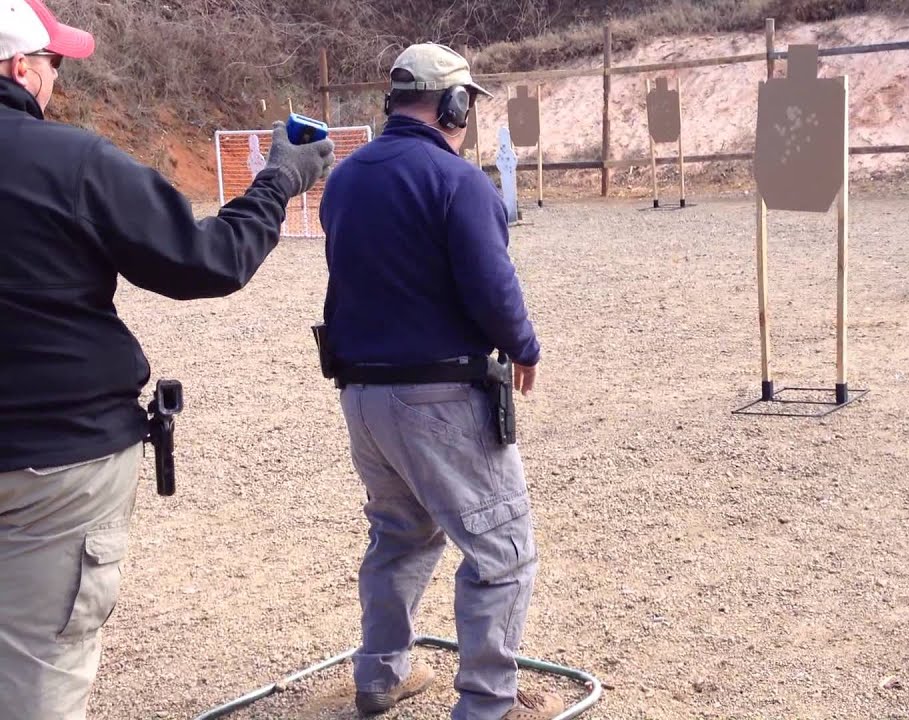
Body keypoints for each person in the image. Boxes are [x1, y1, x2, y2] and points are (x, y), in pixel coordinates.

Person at [0, 1, 335, 717]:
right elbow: (207, 261)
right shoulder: (72, 162)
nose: (56, 78)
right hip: (58, 464)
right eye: (53, 63)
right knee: (37, 678)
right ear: (17, 68)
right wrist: (279, 180)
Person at [318, 43, 558, 719]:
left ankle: (380, 677)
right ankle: (487, 704)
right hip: (439, 395)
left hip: (362, 396)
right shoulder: (458, 182)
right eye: (467, 105)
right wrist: (524, 348)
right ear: (454, 105)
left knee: (399, 535)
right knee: (502, 551)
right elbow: (491, 285)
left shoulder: (346, 178)